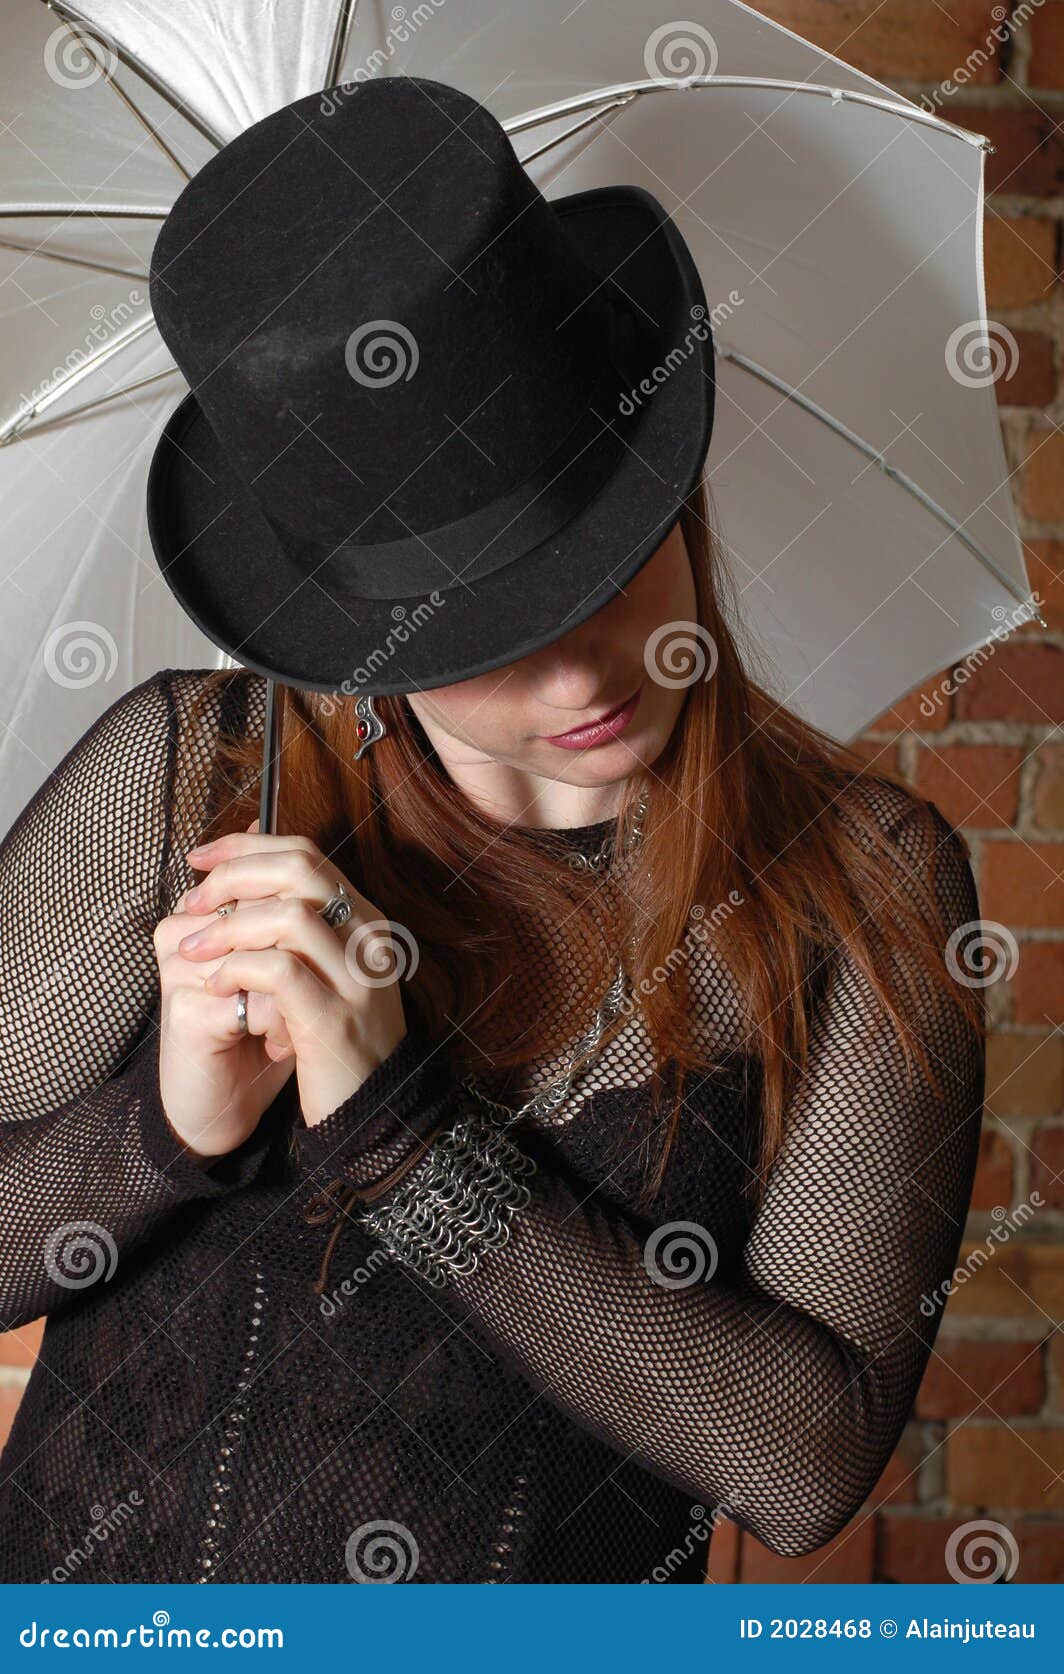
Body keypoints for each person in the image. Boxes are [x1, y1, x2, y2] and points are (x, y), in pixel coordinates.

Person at [0, 77, 985, 1585]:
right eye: (489, 637)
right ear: (355, 638)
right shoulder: (194, 775)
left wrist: (404, 1140)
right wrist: (165, 1124)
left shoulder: (859, 884)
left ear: (668, 492)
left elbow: (804, 1466)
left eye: (602, 567)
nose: (584, 677)